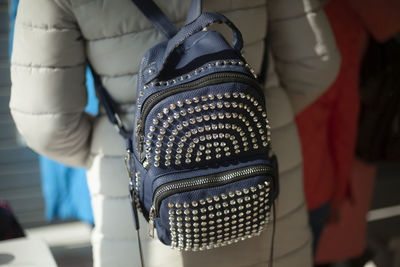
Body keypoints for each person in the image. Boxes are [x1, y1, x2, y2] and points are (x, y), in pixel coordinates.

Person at [10, 0, 339, 266]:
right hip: (258, 180)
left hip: (141, 208)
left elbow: (46, 124)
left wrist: (124, 147)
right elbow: (316, 62)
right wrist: (241, 120)